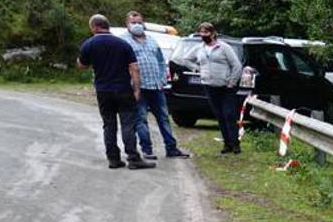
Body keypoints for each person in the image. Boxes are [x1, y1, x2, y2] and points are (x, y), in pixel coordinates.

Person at [77, 15, 154, 170]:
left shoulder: (89, 44)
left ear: (94, 27)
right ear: (107, 26)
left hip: (103, 90)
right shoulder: (122, 44)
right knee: (127, 124)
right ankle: (133, 158)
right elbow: (134, 68)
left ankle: (113, 159)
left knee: (109, 124)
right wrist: (137, 89)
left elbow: (82, 65)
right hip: (123, 89)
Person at [123, 11, 189, 160]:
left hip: (156, 87)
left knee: (164, 118)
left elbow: (160, 61)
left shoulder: (152, 40)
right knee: (140, 119)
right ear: (127, 24)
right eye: (133, 23)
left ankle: (171, 148)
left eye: (139, 22)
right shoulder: (124, 42)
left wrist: (162, 79)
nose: (137, 25)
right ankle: (147, 150)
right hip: (138, 87)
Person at [195, 22, 242, 154]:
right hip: (209, 86)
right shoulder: (200, 48)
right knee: (219, 115)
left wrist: (232, 81)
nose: (203, 35)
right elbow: (187, 59)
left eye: (206, 32)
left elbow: (237, 65)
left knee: (229, 114)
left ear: (212, 33)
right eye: (201, 33)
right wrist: (200, 70)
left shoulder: (224, 47)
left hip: (226, 86)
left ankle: (235, 143)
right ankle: (227, 143)